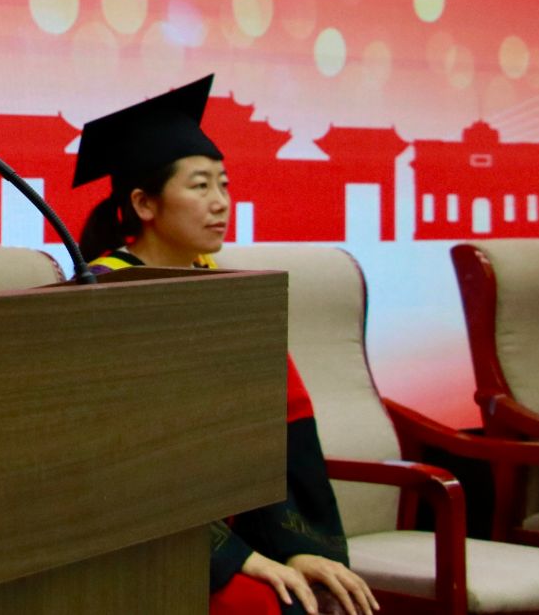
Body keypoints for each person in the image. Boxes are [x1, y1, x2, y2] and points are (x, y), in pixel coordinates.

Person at [73, 77, 379, 615]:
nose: (220, 203)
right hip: (131, 535)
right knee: (275, 606)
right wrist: (236, 557)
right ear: (144, 203)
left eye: (225, 185)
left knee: (326, 596)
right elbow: (117, 454)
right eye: (200, 187)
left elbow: (284, 422)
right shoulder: (103, 296)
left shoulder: (230, 292)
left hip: (224, 531)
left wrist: (296, 546)